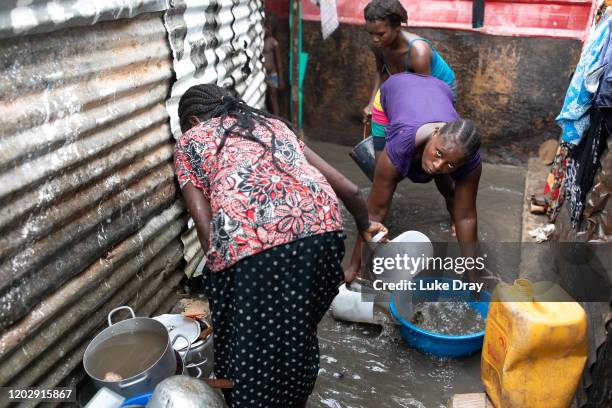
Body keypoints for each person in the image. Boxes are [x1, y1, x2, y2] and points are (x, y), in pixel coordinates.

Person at [174, 84, 387, 408]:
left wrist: (226, 295)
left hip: (249, 247)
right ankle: (294, 398)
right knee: (296, 333)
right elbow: (349, 188)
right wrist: (363, 225)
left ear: (191, 121)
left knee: (245, 352)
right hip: (323, 233)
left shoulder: (190, 141)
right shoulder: (272, 125)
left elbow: (206, 231)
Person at [346, 72, 481, 283]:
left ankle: (450, 203)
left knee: (452, 190)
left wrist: (473, 275)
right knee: (381, 180)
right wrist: (354, 268)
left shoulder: (467, 157)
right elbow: (374, 211)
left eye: (452, 164)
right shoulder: (401, 143)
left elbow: (467, 216)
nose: (438, 165)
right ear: (436, 132)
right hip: (393, 92)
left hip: (437, 92)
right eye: (438, 153)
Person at [362, 0, 457, 121]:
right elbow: (382, 73)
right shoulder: (378, 46)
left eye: (381, 34)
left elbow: (425, 95)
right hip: (411, 86)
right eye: (371, 33)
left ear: (396, 27)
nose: (375, 39)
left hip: (438, 88)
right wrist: (372, 105)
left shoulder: (418, 52)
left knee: (433, 124)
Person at [264, 18, 284, 116]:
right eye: (265, 26)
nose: (266, 29)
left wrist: (281, 79)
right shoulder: (260, 40)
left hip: (272, 73)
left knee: (273, 98)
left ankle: (277, 119)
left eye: (269, 27)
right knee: (265, 97)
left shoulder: (273, 42)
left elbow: (279, 62)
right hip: (263, 73)